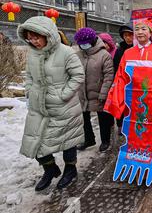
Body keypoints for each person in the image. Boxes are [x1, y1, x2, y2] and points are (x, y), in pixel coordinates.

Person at [18, 16, 85, 191]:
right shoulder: (33, 53)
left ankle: (70, 169)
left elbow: (78, 75)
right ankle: (50, 169)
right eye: (29, 38)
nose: (33, 41)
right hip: (39, 106)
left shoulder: (66, 52)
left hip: (64, 106)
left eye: (36, 37)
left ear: (47, 35)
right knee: (36, 141)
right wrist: (29, 92)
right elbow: (30, 76)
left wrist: (64, 95)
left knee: (67, 140)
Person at [104, 17, 152, 183]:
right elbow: (120, 77)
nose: (140, 32)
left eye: (144, 29)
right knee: (134, 133)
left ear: (150, 32)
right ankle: (135, 161)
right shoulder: (128, 53)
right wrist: (115, 99)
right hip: (133, 104)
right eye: (137, 29)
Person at [74, 28, 115, 152]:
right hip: (82, 92)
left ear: (92, 41)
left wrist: (104, 93)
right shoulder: (78, 55)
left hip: (98, 92)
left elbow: (108, 76)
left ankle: (105, 141)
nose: (83, 46)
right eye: (80, 44)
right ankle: (89, 139)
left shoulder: (104, 55)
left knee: (103, 118)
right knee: (84, 118)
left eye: (85, 43)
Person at [113, 23, 134, 134]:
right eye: (125, 35)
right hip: (122, 82)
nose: (128, 38)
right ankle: (121, 125)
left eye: (130, 35)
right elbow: (115, 67)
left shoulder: (137, 49)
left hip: (135, 83)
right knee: (120, 103)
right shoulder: (119, 50)